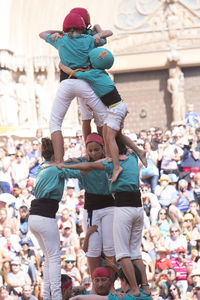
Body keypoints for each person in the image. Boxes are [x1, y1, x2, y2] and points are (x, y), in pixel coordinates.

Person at [56, 137, 150, 296]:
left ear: (105, 149)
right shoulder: (124, 159)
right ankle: (96, 285)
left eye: (96, 149)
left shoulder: (110, 162)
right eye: (90, 150)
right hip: (94, 209)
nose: (93, 153)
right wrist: (62, 163)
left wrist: (68, 163)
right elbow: (68, 169)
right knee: (93, 248)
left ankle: (111, 286)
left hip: (113, 207)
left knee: (111, 249)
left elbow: (89, 164)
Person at [60, 47, 147, 182]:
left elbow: (72, 73)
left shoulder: (93, 74)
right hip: (117, 107)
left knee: (109, 137)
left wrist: (61, 65)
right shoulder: (102, 73)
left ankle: (116, 165)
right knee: (115, 135)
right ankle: (138, 151)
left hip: (115, 109)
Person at [39, 11, 113, 163]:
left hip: (66, 84)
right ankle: (110, 156)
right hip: (85, 83)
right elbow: (106, 36)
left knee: (55, 123)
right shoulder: (89, 40)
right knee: (106, 118)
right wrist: (97, 32)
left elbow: (42, 33)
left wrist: (58, 32)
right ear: (83, 25)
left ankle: (59, 162)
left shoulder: (60, 40)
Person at [28, 138, 82, 300]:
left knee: (48, 258)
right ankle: (56, 297)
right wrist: (78, 161)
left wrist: (69, 161)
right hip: (45, 215)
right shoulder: (57, 169)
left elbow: (63, 166)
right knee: (54, 258)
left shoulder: (42, 167)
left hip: (34, 217)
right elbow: (80, 172)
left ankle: (47, 296)